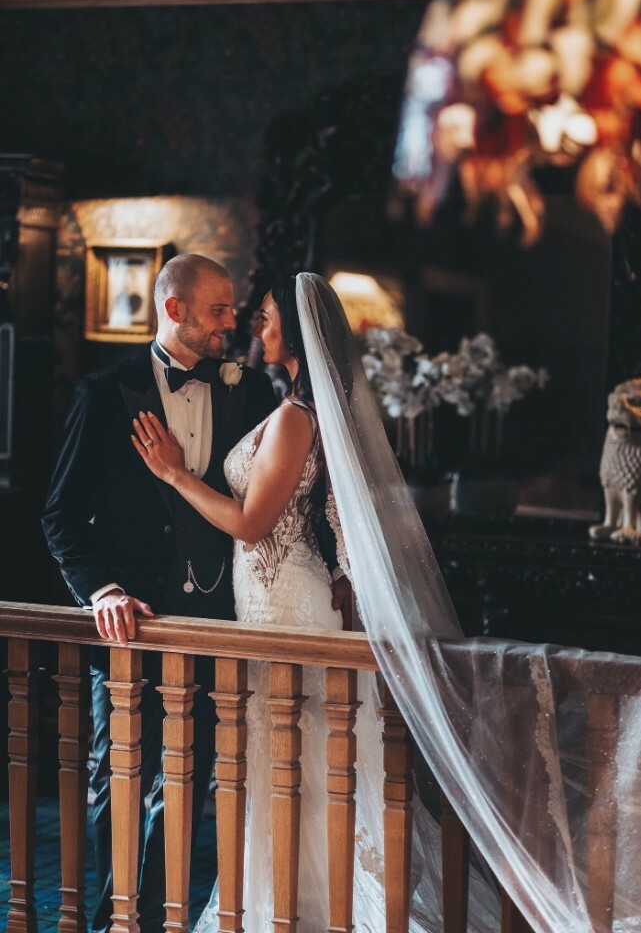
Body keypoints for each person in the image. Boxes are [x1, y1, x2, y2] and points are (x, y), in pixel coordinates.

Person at [131, 274, 500, 932]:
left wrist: (173, 474)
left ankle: (316, 910)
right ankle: (285, 908)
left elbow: (251, 524)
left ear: (295, 331)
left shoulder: (298, 419)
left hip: (288, 610)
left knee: (298, 764)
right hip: (271, 601)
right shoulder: (292, 411)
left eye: (266, 317)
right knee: (282, 771)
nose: (256, 328)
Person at [42, 255, 350, 933]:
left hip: (223, 623)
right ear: (174, 309)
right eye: (218, 310)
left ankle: (164, 918)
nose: (232, 324)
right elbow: (61, 517)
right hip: (135, 623)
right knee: (117, 779)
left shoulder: (255, 393)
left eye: (240, 310)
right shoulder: (105, 393)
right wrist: (103, 590)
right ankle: (113, 921)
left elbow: (296, 500)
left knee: (189, 787)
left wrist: (340, 575)